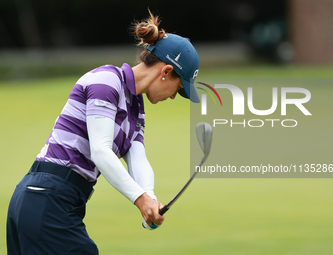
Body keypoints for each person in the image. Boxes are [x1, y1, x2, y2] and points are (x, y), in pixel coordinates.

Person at [7, 10, 200, 255]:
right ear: (165, 72)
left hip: (56, 201)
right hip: (47, 197)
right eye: (178, 87)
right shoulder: (107, 81)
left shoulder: (134, 107)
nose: (174, 96)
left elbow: (137, 157)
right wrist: (140, 199)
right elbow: (101, 150)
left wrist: (149, 200)